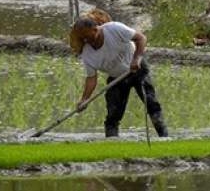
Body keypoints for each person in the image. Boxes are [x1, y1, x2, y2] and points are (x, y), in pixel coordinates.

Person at [70, 8, 168, 138]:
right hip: (117, 78)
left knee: (151, 103)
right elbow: (91, 78)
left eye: (89, 37)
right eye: (84, 39)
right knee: (113, 114)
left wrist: (136, 59)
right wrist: (84, 99)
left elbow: (141, 38)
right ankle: (112, 142)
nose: (88, 41)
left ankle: (165, 137)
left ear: (96, 29)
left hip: (137, 69)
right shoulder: (87, 54)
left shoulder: (114, 29)